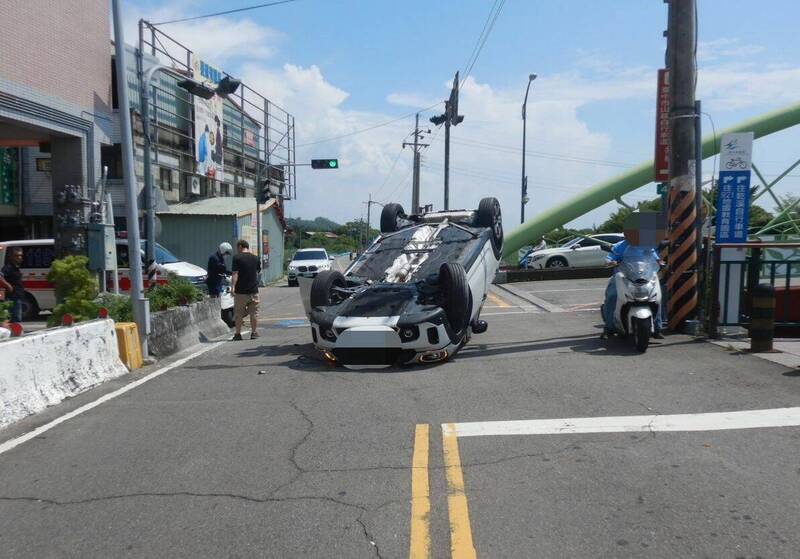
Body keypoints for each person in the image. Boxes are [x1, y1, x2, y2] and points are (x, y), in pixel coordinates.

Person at [231, 239, 261, 341]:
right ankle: (254, 333)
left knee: (239, 313)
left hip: (240, 291)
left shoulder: (237, 258)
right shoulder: (256, 258)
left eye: (237, 248)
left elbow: (235, 274)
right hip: (253, 290)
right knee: (254, 313)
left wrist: (233, 287)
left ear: (240, 246)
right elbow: (257, 273)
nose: (237, 250)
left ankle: (238, 334)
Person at [1, 247, 25, 323]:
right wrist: (8, 285)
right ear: (11, 256)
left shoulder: (16, 267)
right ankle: (15, 334)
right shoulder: (8, 267)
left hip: (17, 296)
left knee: (16, 319)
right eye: (17, 255)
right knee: (16, 319)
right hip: (12, 297)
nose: (19, 257)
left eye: (20, 255)